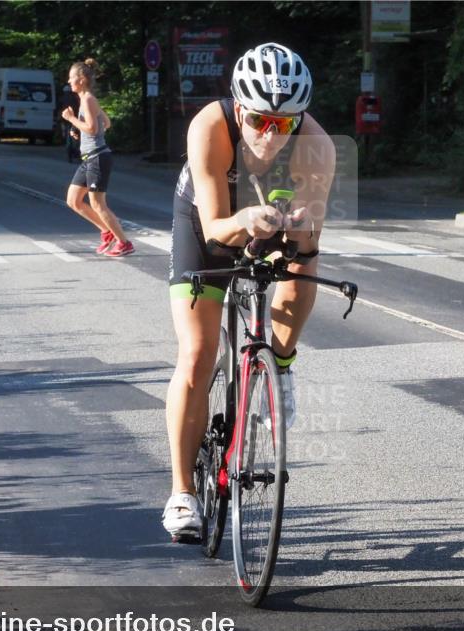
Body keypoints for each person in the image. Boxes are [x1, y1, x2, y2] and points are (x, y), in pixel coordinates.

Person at [161, 42, 335, 540]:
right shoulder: (210, 127)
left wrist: (302, 230)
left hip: (270, 220)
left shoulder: (316, 144)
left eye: (283, 124)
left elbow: (310, 238)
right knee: (197, 353)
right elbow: (215, 225)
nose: (269, 134)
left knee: (305, 259)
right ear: (240, 108)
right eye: (259, 120)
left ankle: (279, 365)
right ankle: (181, 493)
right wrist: (244, 219)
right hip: (206, 224)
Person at [62, 58, 133, 257]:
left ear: (82, 79)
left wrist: (72, 120)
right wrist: (79, 130)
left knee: (97, 203)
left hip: (98, 158)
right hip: (90, 158)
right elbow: (106, 123)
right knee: (73, 200)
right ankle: (106, 231)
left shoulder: (88, 100)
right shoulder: (87, 100)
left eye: (71, 78)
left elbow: (94, 129)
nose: (69, 82)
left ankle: (124, 242)